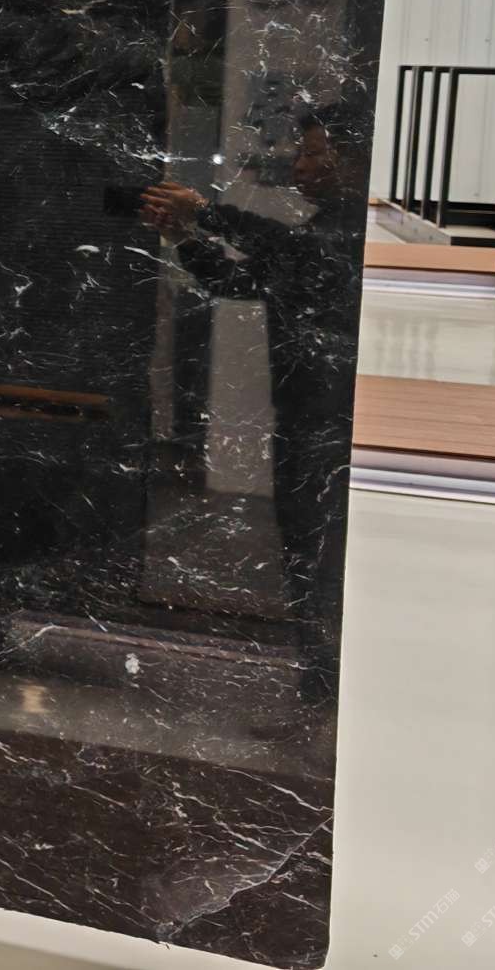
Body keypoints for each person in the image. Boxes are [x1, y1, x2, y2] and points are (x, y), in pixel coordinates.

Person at [140, 109, 365, 734]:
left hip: (334, 424)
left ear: (355, 162)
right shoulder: (322, 228)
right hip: (304, 416)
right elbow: (242, 281)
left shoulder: (355, 232)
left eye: (314, 155)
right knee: (304, 554)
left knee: (322, 559)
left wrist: (205, 212)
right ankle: (319, 693)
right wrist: (183, 237)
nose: (300, 167)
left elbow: (289, 251)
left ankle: (330, 699)